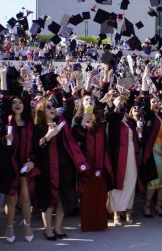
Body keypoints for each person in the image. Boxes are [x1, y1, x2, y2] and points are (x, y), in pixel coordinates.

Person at [33, 97, 88, 241]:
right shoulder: (37, 128)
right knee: (48, 200)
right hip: (47, 170)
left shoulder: (61, 124)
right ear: (41, 111)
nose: (52, 109)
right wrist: (47, 137)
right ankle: (48, 230)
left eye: (53, 106)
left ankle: (58, 228)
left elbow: (69, 109)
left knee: (63, 199)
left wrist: (66, 91)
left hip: (65, 169)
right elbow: (36, 150)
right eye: (48, 107)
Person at [0, 65, 38, 243]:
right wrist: (3, 75)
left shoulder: (30, 124)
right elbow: (3, 100)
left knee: (26, 196)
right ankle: (10, 226)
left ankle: (28, 224)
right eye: (14, 103)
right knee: (12, 198)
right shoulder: (6, 122)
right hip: (10, 164)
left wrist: (32, 162)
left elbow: (36, 147)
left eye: (20, 102)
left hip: (25, 163)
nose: (17, 104)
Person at [72, 94, 112, 232]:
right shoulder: (77, 119)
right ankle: (88, 224)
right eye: (87, 99)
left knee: (100, 195)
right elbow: (74, 138)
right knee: (87, 195)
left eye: (92, 99)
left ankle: (100, 224)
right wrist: (83, 123)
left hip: (99, 162)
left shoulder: (100, 119)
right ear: (82, 104)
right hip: (85, 163)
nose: (90, 101)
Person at [104, 89, 140, 226]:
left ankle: (128, 210)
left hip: (132, 156)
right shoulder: (114, 122)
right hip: (119, 156)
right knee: (119, 183)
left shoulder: (130, 122)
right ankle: (116, 213)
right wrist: (114, 103)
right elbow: (110, 115)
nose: (122, 105)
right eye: (119, 102)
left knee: (131, 181)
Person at [136, 68, 162, 219]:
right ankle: (147, 205)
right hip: (152, 153)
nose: (156, 103)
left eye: (157, 102)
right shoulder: (148, 116)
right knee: (154, 181)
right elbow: (144, 100)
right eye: (153, 102)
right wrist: (144, 81)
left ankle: (158, 205)